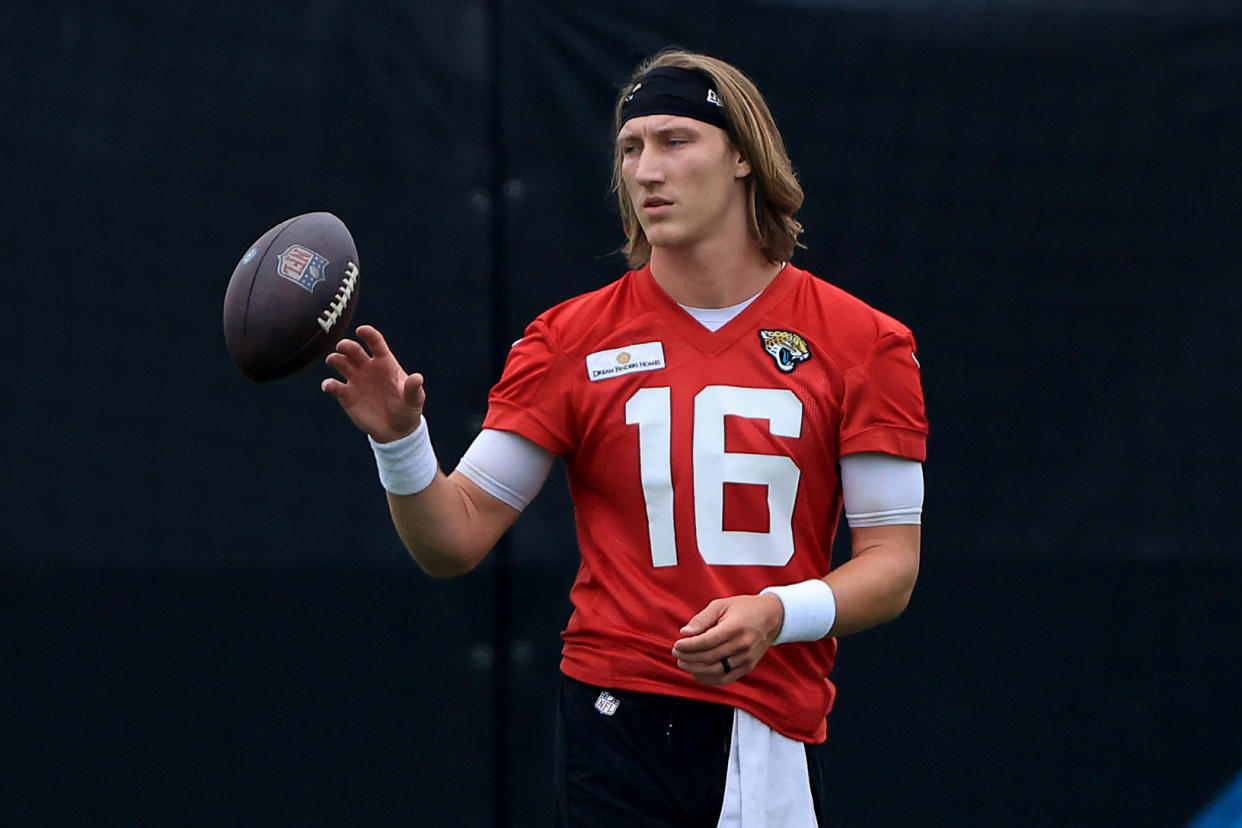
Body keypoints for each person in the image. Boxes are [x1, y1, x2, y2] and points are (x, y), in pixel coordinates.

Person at [322, 48, 927, 828]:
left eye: (676, 140)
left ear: (743, 154)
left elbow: (892, 566)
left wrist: (776, 612)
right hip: (610, 717)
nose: (646, 170)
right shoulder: (570, 337)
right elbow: (454, 540)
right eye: (631, 147)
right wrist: (401, 443)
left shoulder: (861, 340)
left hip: (758, 718)